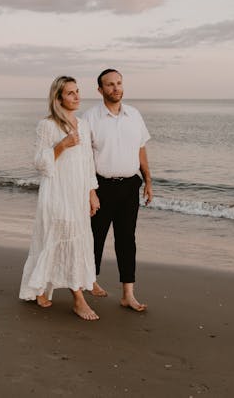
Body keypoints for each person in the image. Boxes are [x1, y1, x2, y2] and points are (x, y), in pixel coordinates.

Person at [19, 76, 101, 321]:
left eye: (77, 92)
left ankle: (41, 287)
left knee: (70, 238)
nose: (77, 97)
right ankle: (78, 299)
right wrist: (62, 145)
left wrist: (92, 192)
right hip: (56, 191)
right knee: (57, 238)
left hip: (77, 192)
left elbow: (88, 163)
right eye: (70, 93)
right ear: (58, 98)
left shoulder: (84, 125)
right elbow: (39, 163)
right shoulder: (47, 125)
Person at [84, 69, 152, 312]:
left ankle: (128, 294)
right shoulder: (90, 117)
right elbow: (84, 158)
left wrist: (148, 180)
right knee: (95, 237)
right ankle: (91, 280)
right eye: (110, 85)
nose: (116, 88)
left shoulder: (134, 115)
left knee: (127, 240)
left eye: (119, 83)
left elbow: (141, 149)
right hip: (101, 186)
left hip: (130, 186)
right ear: (100, 90)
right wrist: (90, 191)